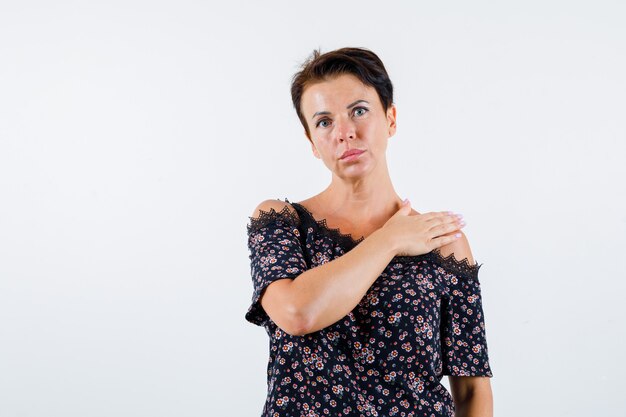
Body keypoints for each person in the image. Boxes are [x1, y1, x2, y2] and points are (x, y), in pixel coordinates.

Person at [245, 47, 493, 417]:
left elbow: (472, 391)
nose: (345, 133)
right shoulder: (281, 222)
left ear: (390, 119)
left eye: (359, 111)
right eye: (324, 122)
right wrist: (391, 239)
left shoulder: (442, 241)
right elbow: (297, 313)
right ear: (311, 141)